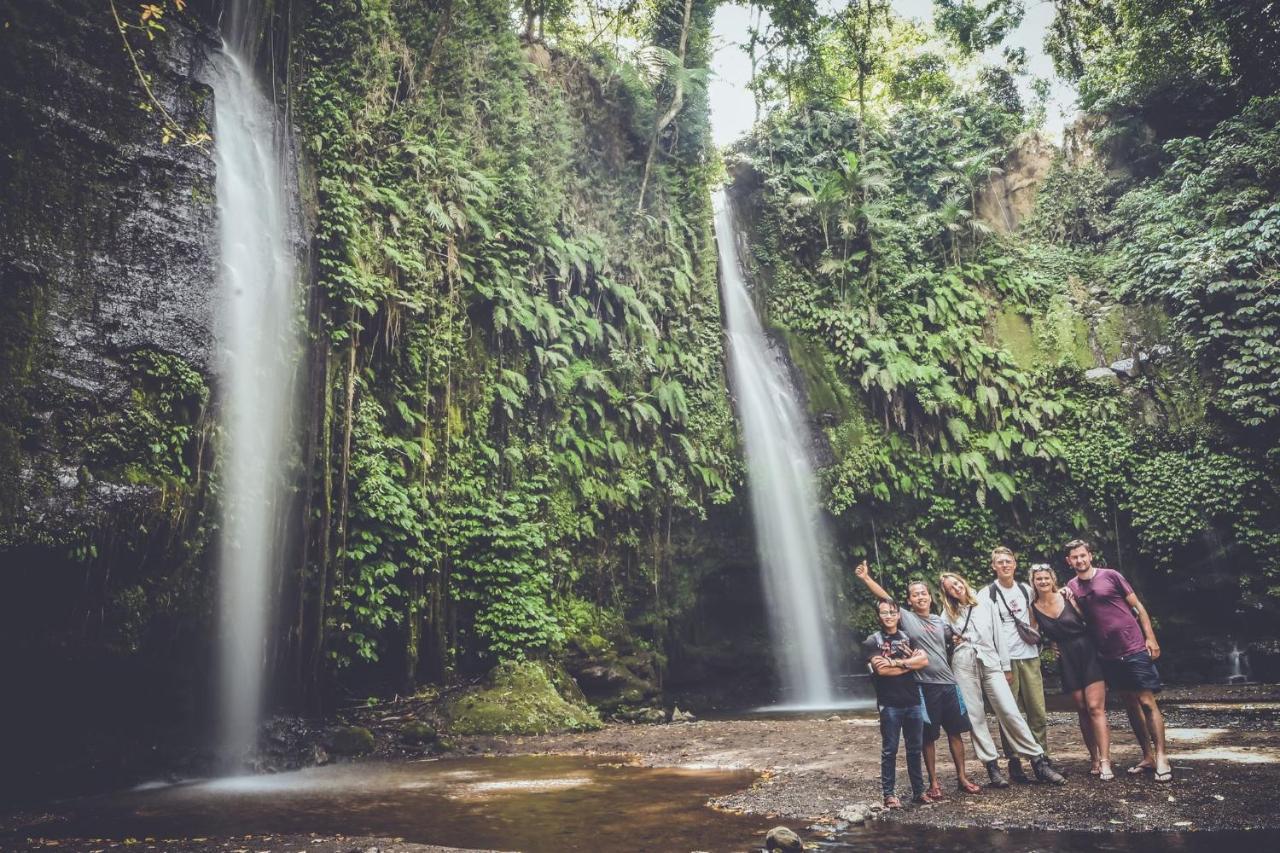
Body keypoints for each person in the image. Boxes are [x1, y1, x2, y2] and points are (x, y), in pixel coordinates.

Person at [854, 561, 981, 796]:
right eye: (915, 595)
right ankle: (933, 783)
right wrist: (866, 579)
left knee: (956, 732)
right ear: (909, 601)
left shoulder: (941, 621)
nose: (920, 597)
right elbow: (887, 601)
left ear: (930, 597)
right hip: (924, 686)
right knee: (928, 737)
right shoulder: (908, 619)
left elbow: (962, 629)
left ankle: (962, 777)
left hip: (949, 683)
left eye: (924, 593)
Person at [938, 571, 1066, 787]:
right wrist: (951, 640)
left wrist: (1006, 667)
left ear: (963, 581)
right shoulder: (946, 614)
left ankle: (1038, 761)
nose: (956, 588)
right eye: (951, 587)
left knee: (1010, 711)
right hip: (963, 664)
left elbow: (1000, 636)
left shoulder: (985, 603)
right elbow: (940, 639)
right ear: (946, 593)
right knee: (975, 716)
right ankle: (992, 767)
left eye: (957, 583)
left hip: (991, 661)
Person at [1063, 539, 1171, 782]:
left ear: (1090, 555)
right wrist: (1068, 602)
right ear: (1068, 562)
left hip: (1132, 647)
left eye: (1083, 555)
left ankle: (1162, 756)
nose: (1079, 560)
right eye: (1074, 557)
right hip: (1107, 654)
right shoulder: (1071, 586)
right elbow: (1080, 619)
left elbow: (1138, 607)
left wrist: (1150, 638)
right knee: (1129, 703)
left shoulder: (1111, 575)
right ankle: (1147, 756)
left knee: (1146, 701)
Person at [1028, 563, 1112, 781]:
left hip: (1087, 651)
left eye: (1046, 578)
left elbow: (1092, 619)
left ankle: (1105, 760)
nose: (1043, 582)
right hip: (1065, 657)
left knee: (1095, 708)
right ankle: (1093, 758)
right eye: (1039, 579)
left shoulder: (1068, 595)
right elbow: (1033, 636)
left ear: (1053, 579)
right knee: (1082, 708)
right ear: (1033, 582)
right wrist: (1050, 647)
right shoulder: (1034, 607)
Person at [983, 546, 1052, 783]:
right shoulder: (987, 594)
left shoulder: (1026, 589)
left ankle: (1042, 758)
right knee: (1009, 712)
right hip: (1005, 661)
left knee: (1037, 711)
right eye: (999, 562)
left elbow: (1045, 605)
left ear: (1015, 564)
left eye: (1008, 561)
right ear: (993, 566)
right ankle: (1014, 761)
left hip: (1030, 656)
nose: (1004, 565)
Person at [863, 598, 935, 807]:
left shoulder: (908, 637)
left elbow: (923, 661)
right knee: (890, 750)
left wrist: (896, 663)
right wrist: (909, 665)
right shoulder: (872, 641)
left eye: (892, 612)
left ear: (898, 615)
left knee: (914, 748)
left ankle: (918, 791)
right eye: (884, 613)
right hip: (889, 703)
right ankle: (889, 794)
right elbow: (882, 670)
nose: (888, 616)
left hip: (912, 700)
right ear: (878, 616)